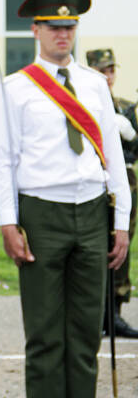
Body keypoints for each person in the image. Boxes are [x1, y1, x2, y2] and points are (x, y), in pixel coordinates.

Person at [0, 0, 131, 398]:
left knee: (87, 332)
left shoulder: (92, 85)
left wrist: (120, 220)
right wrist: (8, 223)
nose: (62, 34)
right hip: (41, 214)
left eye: (69, 26)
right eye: (53, 26)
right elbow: (3, 160)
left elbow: (112, 153)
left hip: (91, 212)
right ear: (35, 30)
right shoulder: (15, 89)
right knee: (45, 335)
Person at [86, 48, 138, 338]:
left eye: (111, 70)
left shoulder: (125, 108)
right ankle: (95, 313)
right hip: (95, 184)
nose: (107, 76)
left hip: (126, 184)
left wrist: (132, 133)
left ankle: (115, 313)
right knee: (93, 247)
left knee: (122, 244)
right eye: (101, 70)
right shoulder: (84, 102)